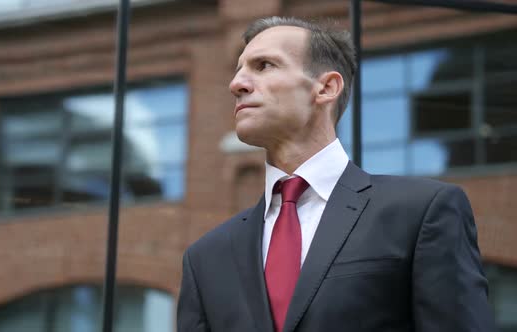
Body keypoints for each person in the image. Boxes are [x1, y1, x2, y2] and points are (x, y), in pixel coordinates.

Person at [176, 16, 495, 332]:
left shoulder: (421, 213)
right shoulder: (205, 258)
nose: (237, 84)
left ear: (326, 87)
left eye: (264, 66)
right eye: (238, 70)